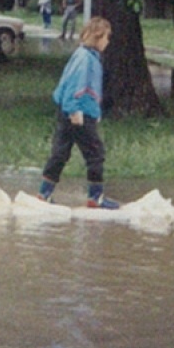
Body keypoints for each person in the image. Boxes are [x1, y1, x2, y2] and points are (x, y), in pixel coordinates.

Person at [38, 16, 120, 209]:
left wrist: (94, 109)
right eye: (107, 37)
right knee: (96, 153)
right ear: (98, 37)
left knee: (60, 152)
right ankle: (95, 198)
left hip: (71, 112)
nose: (108, 41)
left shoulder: (85, 55)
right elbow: (77, 85)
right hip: (78, 114)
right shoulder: (86, 59)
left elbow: (87, 88)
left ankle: (44, 193)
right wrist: (76, 111)